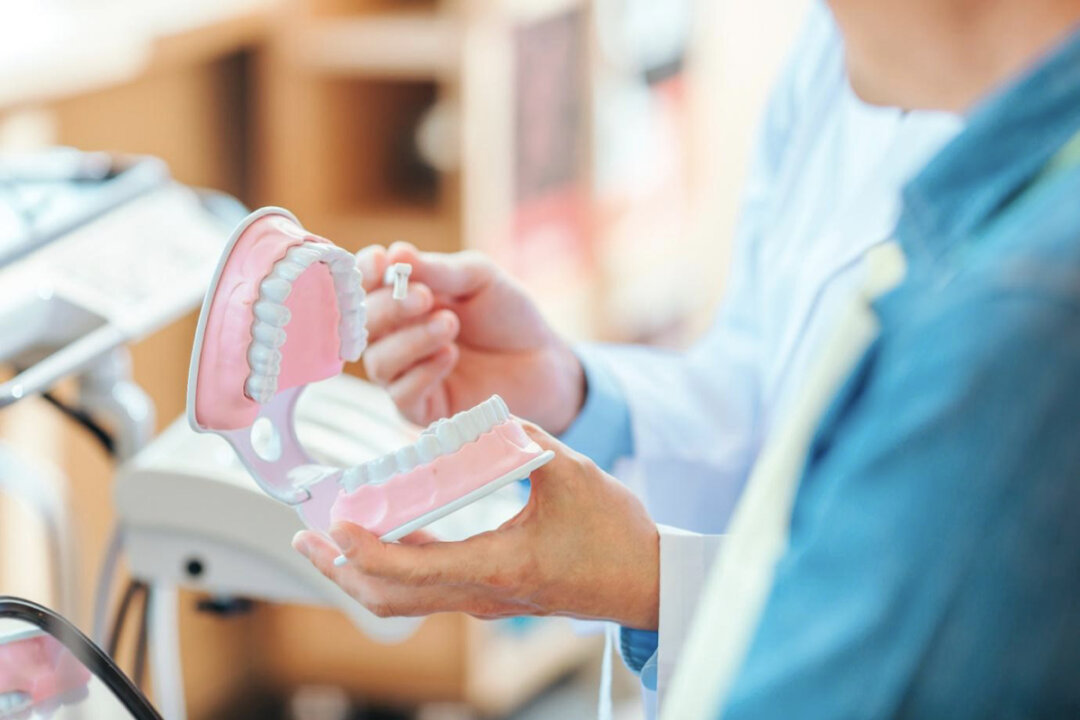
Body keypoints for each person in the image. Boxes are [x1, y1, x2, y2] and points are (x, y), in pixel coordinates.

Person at [292, 0, 985, 707]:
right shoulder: (833, 52)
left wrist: (652, 582)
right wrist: (572, 391)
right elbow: (765, 386)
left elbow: (981, 622)